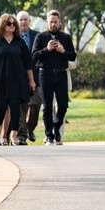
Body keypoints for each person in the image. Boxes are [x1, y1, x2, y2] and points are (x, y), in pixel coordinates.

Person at [0, 14, 35, 146]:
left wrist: (31, 80)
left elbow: (27, 63)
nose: (12, 26)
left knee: (15, 106)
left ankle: (13, 135)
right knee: (0, 107)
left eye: (14, 24)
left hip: (17, 79)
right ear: (2, 25)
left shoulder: (19, 42)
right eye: (9, 23)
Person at [32, 9, 76, 146]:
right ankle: (49, 134)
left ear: (60, 22)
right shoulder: (41, 37)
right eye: (51, 22)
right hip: (45, 74)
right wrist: (47, 49)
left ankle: (57, 126)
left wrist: (63, 51)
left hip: (61, 73)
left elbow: (73, 56)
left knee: (63, 105)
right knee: (47, 106)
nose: (53, 24)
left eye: (56, 22)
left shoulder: (66, 37)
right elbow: (34, 56)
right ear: (47, 22)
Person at [16, 11, 42, 143]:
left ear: (29, 21)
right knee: (21, 108)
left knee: (35, 104)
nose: (23, 22)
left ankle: (30, 128)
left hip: (35, 77)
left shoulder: (37, 36)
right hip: (19, 78)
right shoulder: (13, 37)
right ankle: (21, 136)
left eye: (25, 19)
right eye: (20, 20)